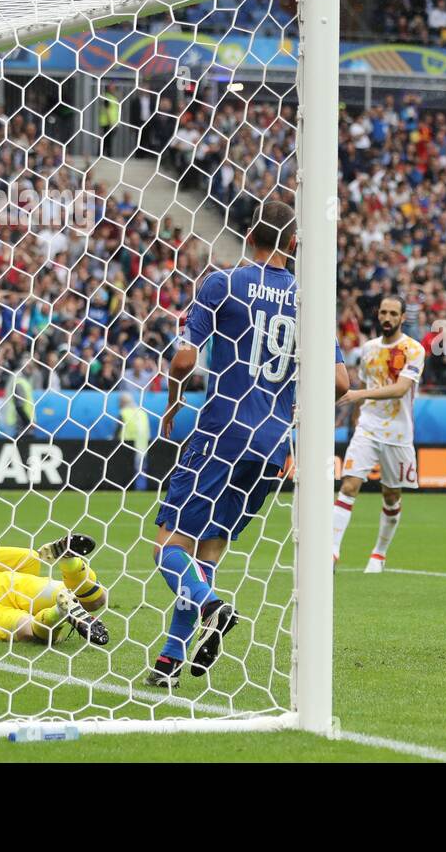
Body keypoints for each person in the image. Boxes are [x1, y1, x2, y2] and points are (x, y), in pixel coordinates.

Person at [149, 202, 349, 688]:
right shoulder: (311, 297)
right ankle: (171, 660)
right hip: (273, 447)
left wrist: (174, 405)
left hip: (221, 432)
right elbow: (341, 382)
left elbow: (180, 362)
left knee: (167, 547)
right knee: (207, 551)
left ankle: (210, 607)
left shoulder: (224, 283)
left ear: (248, 236)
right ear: (294, 244)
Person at [333, 295, 426, 573]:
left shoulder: (413, 349)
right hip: (368, 428)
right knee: (349, 486)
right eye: (383, 312)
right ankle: (331, 552)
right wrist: (354, 412)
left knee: (391, 496)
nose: (387, 317)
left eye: (392, 313)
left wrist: (358, 394)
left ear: (401, 317)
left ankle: (379, 554)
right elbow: (365, 384)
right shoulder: (369, 349)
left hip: (398, 433)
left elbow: (399, 389)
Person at [117, 393, 151, 491]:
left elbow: (118, 429)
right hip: (143, 444)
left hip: (127, 444)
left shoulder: (123, 413)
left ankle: (129, 488)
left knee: (130, 468)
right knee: (141, 468)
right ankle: (141, 488)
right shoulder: (142, 413)